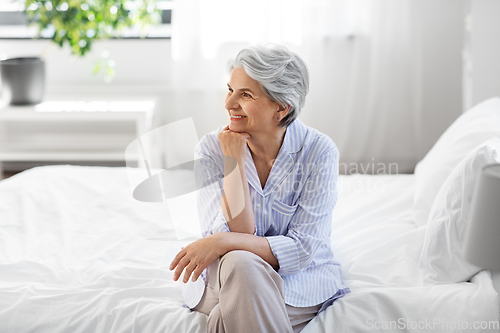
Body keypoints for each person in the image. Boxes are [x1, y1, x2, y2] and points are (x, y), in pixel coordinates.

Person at [169, 44, 349, 333]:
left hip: (299, 284)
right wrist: (233, 161)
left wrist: (222, 242)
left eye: (245, 94)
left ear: (281, 108)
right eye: (230, 90)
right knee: (240, 265)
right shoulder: (211, 149)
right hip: (225, 276)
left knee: (222, 317)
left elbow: (302, 250)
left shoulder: (318, 151)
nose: (229, 104)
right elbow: (233, 237)